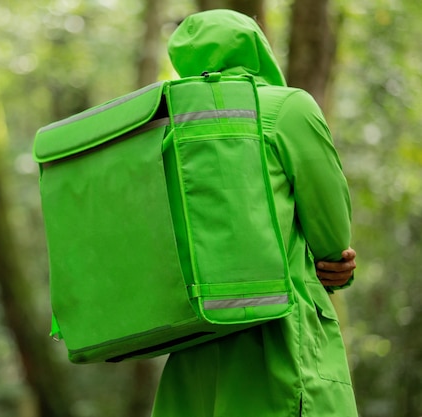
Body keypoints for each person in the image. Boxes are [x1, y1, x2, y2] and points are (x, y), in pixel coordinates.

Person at [151, 10, 358, 417]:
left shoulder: (161, 125)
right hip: (280, 339)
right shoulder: (287, 108)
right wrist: (336, 264)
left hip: (192, 346)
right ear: (257, 47)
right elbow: (333, 236)